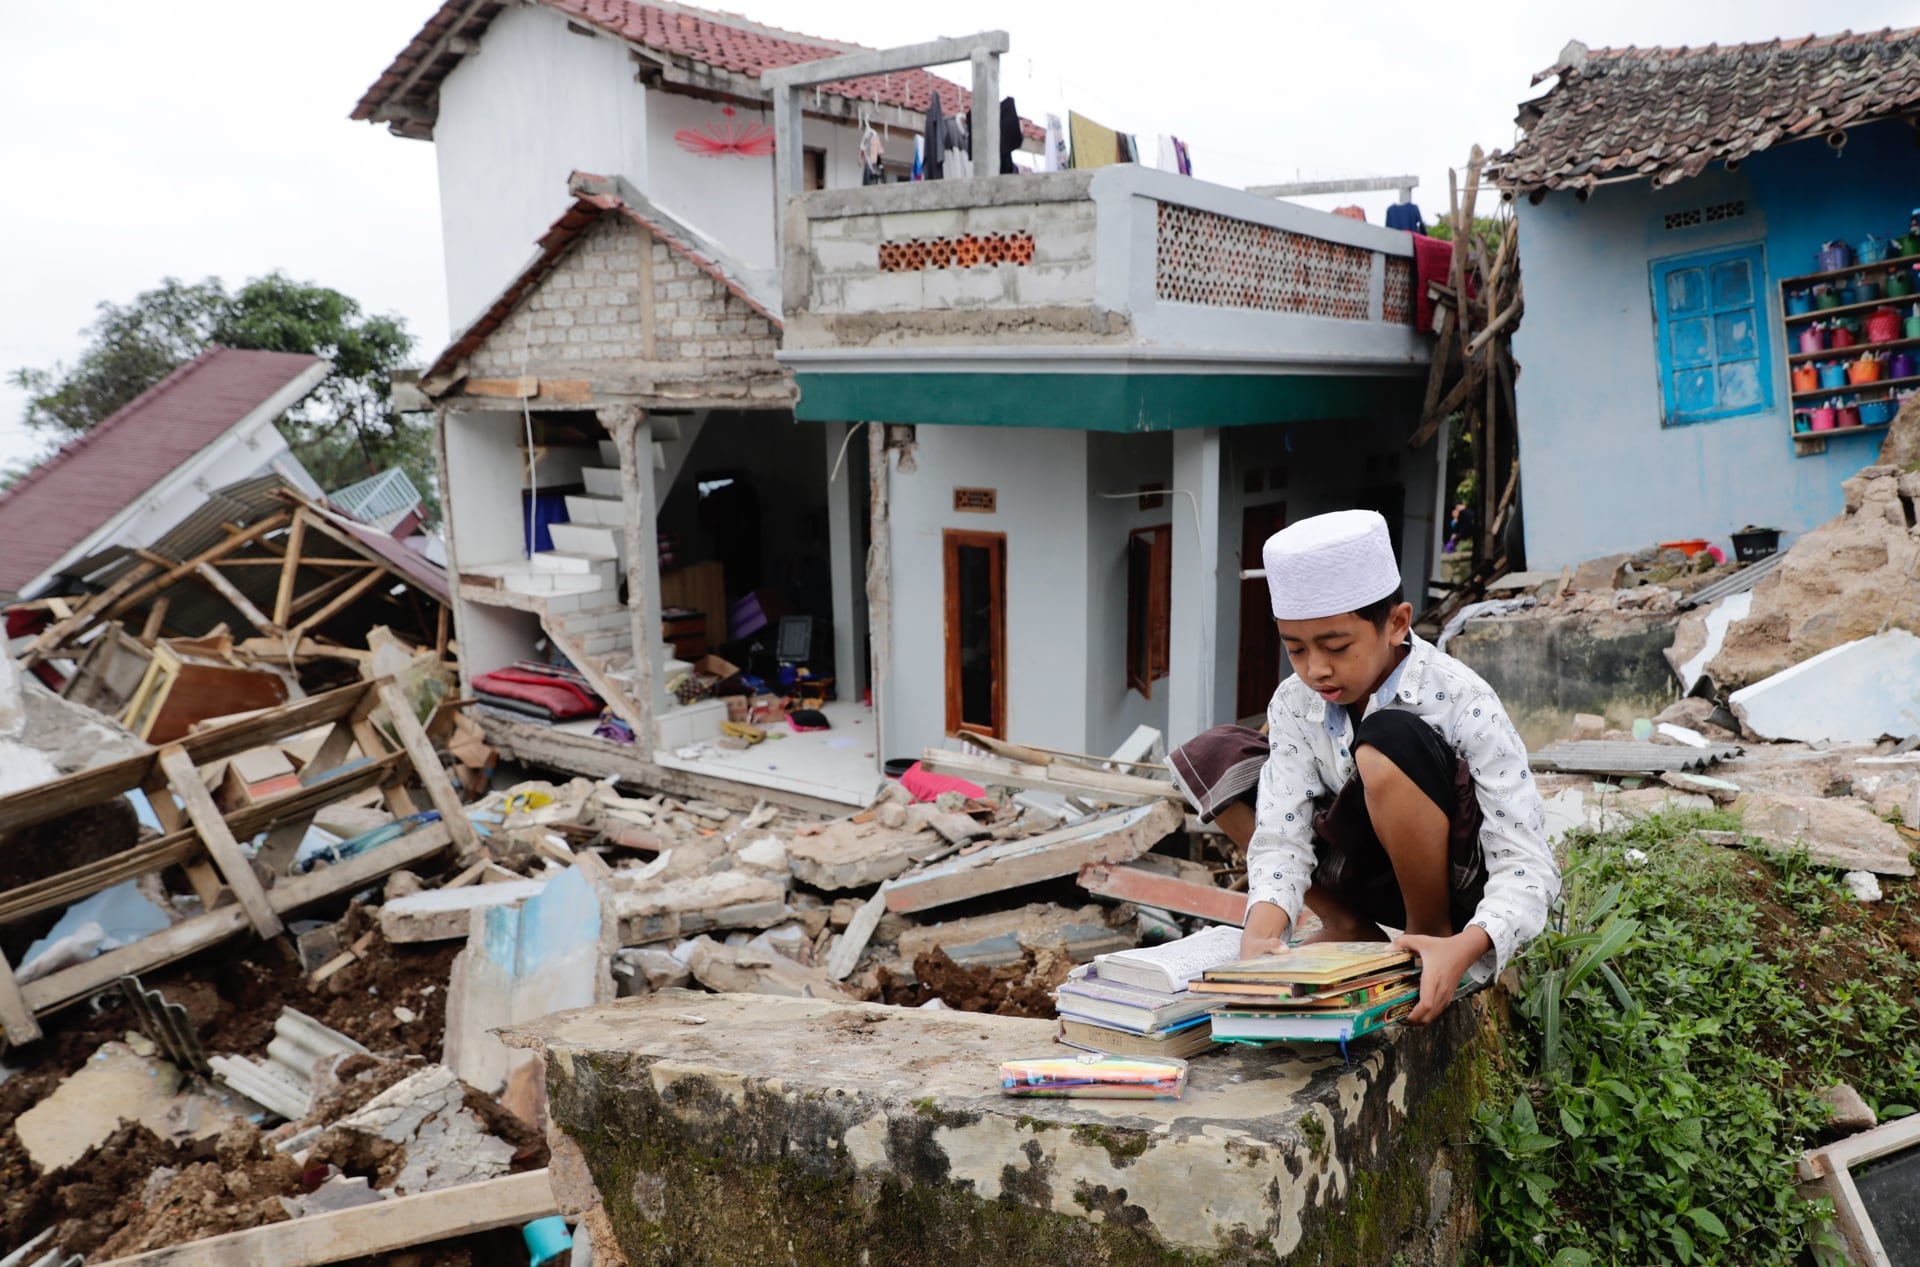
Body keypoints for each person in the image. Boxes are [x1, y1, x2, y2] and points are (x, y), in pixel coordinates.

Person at [1167, 509, 1557, 1025]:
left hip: (1449, 880)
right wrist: (1261, 937)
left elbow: (1527, 863)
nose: (1316, 669)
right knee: (1213, 754)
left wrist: (1470, 944)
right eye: (1296, 650)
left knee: (1385, 742)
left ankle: (1428, 938)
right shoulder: (1294, 702)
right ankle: (1347, 922)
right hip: (1361, 866)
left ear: (1396, 624)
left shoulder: (1461, 699)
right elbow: (1282, 831)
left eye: (1335, 647)